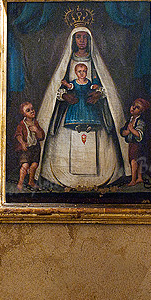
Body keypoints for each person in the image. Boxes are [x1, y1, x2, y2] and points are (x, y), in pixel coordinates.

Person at [37, 27, 129, 189]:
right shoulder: (67, 62)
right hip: (70, 109)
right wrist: (65, 96)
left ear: (89, 40)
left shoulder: (95, 63)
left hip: (92, 108)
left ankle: (100, 178)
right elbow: (59, 86)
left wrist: (99, 94)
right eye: (78, 37)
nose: (81, 40)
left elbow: (103, 85)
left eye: (84, 37)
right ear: (73, 40)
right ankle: (64, 177)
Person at [13, 101, 45, 190]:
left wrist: (37, 131)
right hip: (26, 148)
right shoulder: (22, 124)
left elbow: (41, 137)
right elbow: (18, 135)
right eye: (28, 110)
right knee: (25, 165)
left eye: (32, 109)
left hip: (35, 148)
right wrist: (23, 143)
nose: (32, 111)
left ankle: (31, 181)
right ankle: (20, 183)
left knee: (34, 165)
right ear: (24, 114)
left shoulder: (36, 123)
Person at [121, 98, 150, 187]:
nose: (133, 108)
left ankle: (133, 180)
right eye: (133, 105)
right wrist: (126, 132)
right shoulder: (131, 119)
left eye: (136, 107)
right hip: (132, 143)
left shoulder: (140, 121)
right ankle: (139, 178)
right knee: (137, 160)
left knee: (133, 161)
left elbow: (139, 134)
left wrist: (131, 129)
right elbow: (123, 132)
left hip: (137, 144)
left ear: (141, 111)